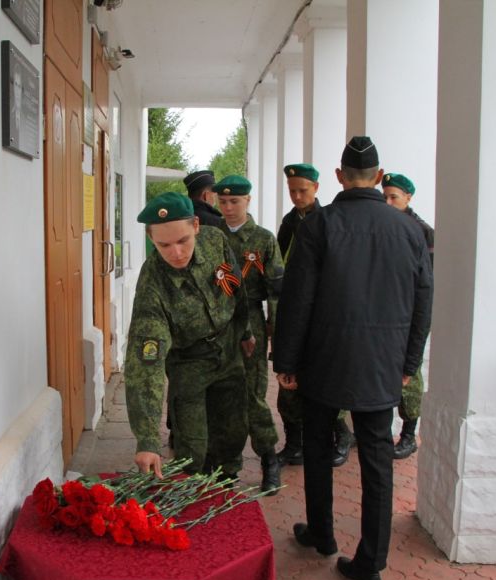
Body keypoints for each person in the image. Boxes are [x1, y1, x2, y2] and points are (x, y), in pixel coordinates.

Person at [273, 137, 433, 580]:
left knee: (319, 449)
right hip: (383, 366)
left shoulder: (320, 225)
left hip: (325, 360)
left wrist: (287, 360)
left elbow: (298, 299)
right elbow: (424, 302)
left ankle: (322, 534)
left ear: (340, 177)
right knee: (378, 462)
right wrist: (409, 362)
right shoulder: (408, 231)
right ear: (380, 178)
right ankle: (371, 565)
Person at [125, 192, 255, 480]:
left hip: (227, 351)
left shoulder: (215, 242)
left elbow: (235, 286)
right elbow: (146, 364)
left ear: (196, 225)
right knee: (193, 449)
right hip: (188, 364)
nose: (176, 253)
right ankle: (194, 494)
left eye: (183, 240)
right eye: (164, 245)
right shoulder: (152, 286)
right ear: (151, 239)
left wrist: (244, 329)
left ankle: (227, 488)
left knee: (233, 434)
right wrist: (147, 440)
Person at [275, 163, 355, 468]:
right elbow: (280, 265)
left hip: (323, 316)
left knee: (327, 383)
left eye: (303, 190)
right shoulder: (289, 222)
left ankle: (341, 436)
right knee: (288, 388)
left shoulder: (329, 221)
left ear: (317, 188)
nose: (297, 196)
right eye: (292, 190)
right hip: (294, 312)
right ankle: (295, 443)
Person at [213, 174, 284, 494]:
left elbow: (277, 290)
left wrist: (276, 329)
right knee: (223, 396)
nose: (228, 208)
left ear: (247, 201)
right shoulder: (210, 237)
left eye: (234, 202)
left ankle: (269, 459)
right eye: (223, 202)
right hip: (218, 324)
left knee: (254, 395)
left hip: (252, 322)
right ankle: (228, 465)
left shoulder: (264, 239)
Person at [381, 173, 435, 460]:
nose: (388, 202)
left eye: (394, 197)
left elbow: (428, 281)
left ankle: (409, 434)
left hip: (410, 313)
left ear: (408, 198)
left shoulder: (422, 232)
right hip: (385, 311)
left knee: (409, 375)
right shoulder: (381, 225)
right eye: (385, 196)